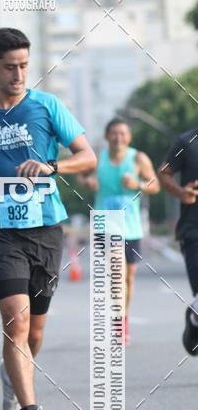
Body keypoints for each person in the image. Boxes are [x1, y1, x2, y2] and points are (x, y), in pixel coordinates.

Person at [0, 27, 96, 410]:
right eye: (10, 67)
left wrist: (52, 167)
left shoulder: (46, 106)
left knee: (34, 329)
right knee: (16, 321)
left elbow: (87, 155)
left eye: (24, 65)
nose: (19, 74)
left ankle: (11, 375)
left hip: (44, 226)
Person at [81, 118, 158, 344]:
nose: (118, 138)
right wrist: (88, 183)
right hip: (106, 221)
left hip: (131, 224)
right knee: (117, 272)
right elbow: (82, 175)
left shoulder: (138, 158)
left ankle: (123, 316)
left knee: (129, 278)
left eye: (122, 133)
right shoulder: (98, 157)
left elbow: (155, 185)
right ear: (106, 136)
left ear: (129, 137)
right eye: (114, 133)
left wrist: (138, 185)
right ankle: (117, 320)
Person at [157, 126, 198, 354]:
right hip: (194, 231)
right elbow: (164, 171)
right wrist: (182, 193)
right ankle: (194, 321)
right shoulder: (187, 140)